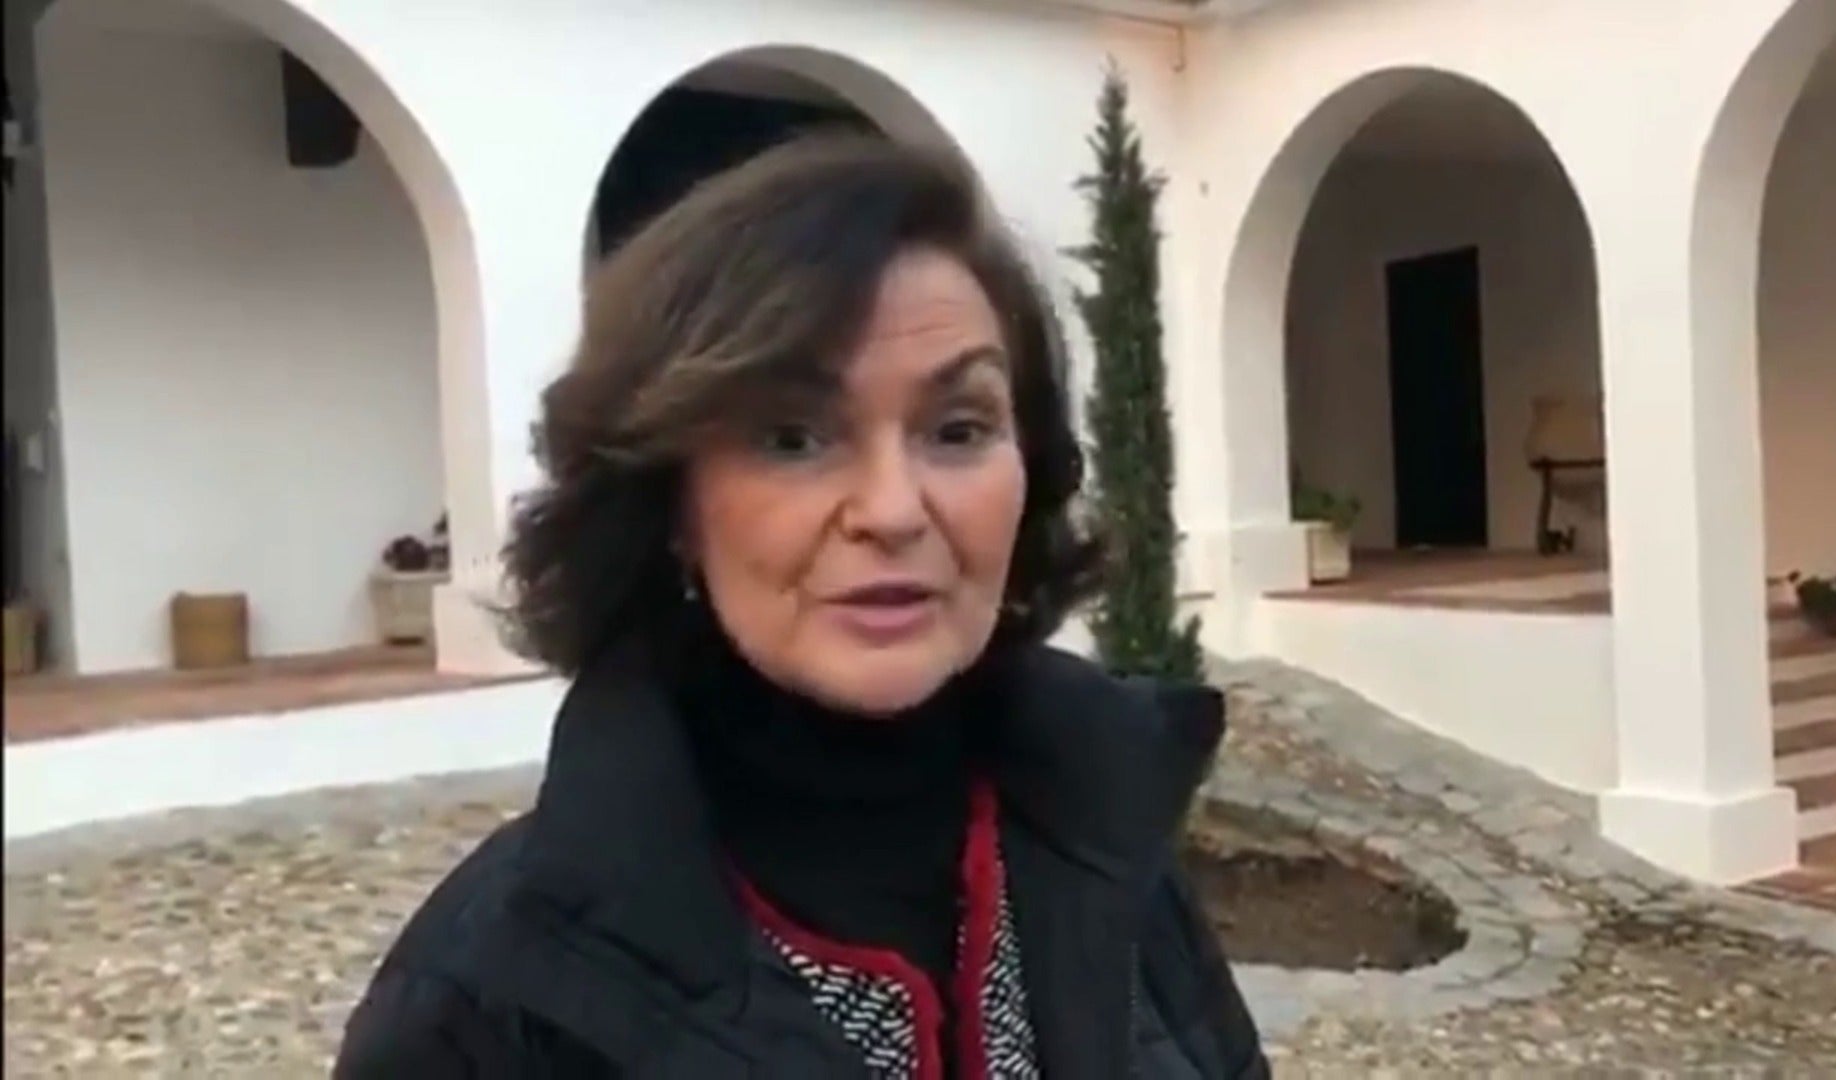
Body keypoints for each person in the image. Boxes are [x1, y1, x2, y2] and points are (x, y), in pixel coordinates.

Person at [334, 133, 1267, 1079]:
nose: (893, 511)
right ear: (670, 501)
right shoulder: (494, 1002)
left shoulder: (1110, 855)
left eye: (958, 429)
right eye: (792, 438)